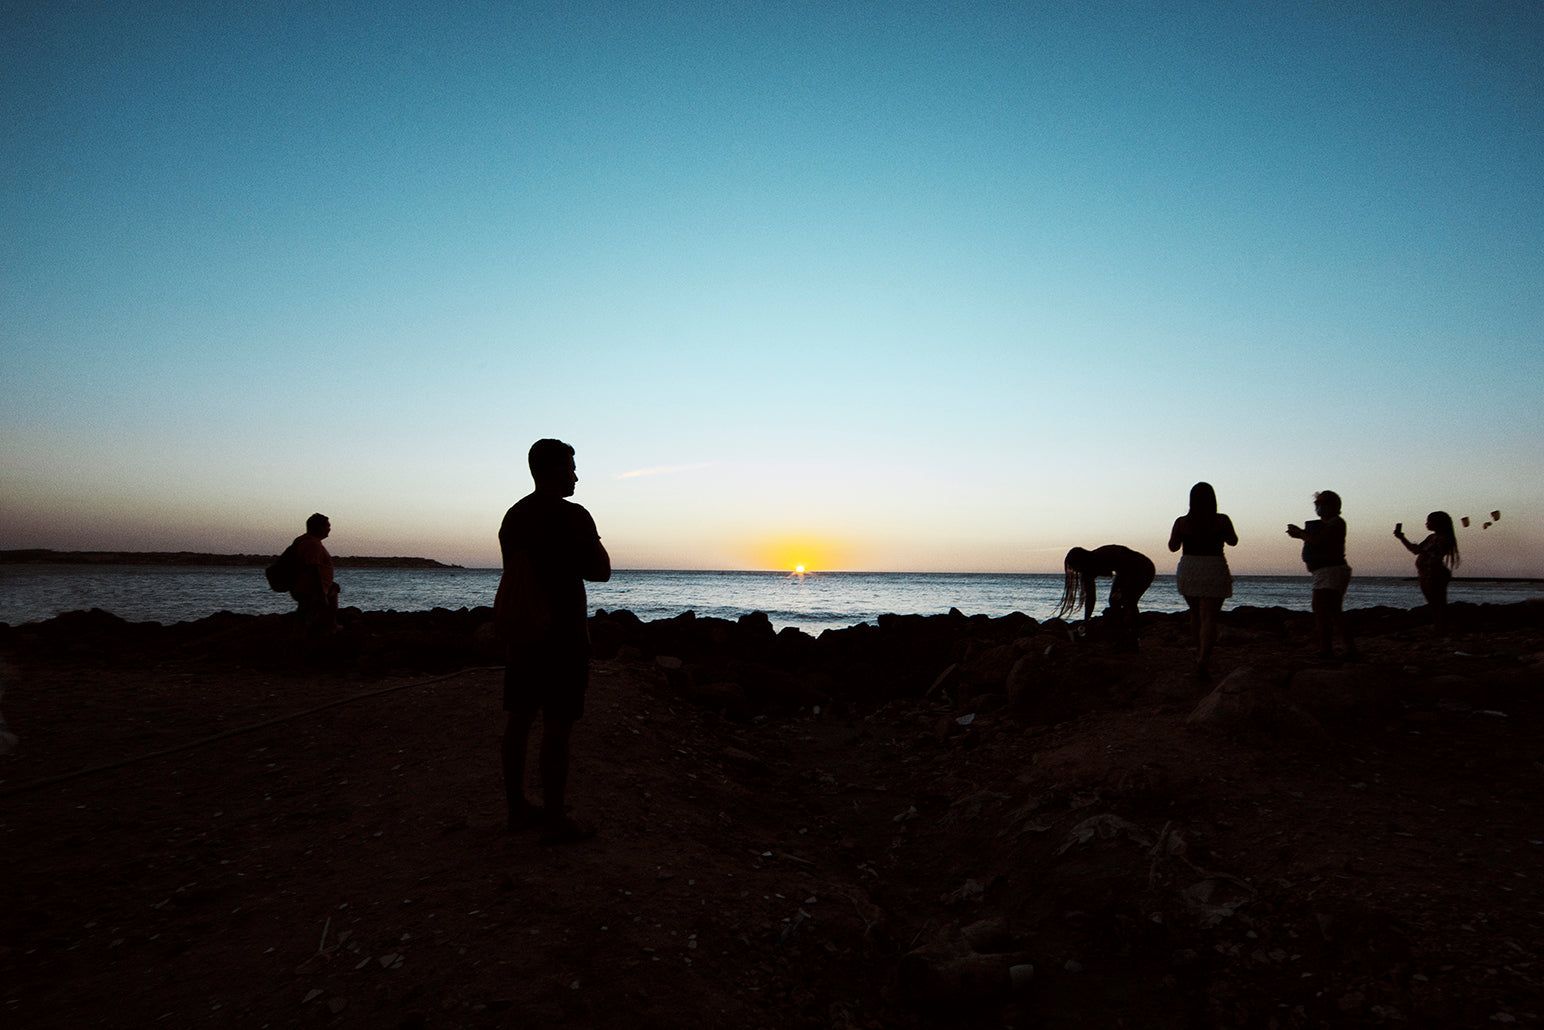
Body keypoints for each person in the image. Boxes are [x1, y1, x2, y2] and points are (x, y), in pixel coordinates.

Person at [497, 438, 611, 844]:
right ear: (549, 470)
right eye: (570, 467)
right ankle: (555, 816)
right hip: (563, 636)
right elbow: (601, 571)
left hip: (523, 633)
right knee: (558, 727)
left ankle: (517, 808)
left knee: (520, 720)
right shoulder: (573, 516)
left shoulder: (514, 517)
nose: (576, 475)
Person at [1167, 482, 1238, 680]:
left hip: (1190, 567)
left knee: (1195, 615)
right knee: (1209, 617)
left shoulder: (1182, 522)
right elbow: (1233, 541)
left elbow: (1173, 547)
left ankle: (1199, 653)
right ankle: (1204, 658)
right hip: (1213, 566)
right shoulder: (1222, 520)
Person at [1287, 490, 1358, 662]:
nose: (1319, 507)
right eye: (1317, 503)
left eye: (1323, 503)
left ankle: (1331, 650)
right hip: (1323, 572)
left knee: (1325, 610)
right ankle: (1333, 648)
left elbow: (1320, 541)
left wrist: (1300, 533)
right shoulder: (1324, 525)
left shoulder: (1336, 523)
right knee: (1329, 611)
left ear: (1335, 505)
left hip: (1331, 571)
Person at [1052, 545, 1155, 650]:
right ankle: (1122, 634)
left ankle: (1133, 638)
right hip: (1126, 571)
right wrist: (1086, 620)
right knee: (1115, 601)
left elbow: (1127, 566)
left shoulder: (1105, 554)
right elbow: (1090, 597)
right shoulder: (1087, 571)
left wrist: (1122, 589)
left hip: (1143, 567)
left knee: (1128, 601)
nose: (1078, 571)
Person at [1395, 511, 1459, 632]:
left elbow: (1427, 553)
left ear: (1438, 523)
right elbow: (1416, 550)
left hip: (1435, 573)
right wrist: (1402, 537)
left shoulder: (1444, 539)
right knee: (1433, 603)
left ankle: (1441, 628)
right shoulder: (1432, 537)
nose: (1426, 523)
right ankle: (1438, 627)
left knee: (1438, 603)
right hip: (1425, 573)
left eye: (1429, 521)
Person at [290, 513, 340, 636]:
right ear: (319, 527)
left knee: (333, 591)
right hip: (310, 589)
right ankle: (301, 641)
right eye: (327, 526)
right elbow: (313, 569)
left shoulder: (306, 541)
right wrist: (321, 593)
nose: (329, 529)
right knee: (306, 616)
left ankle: (330, 627)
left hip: (311, 588)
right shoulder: (312, 544)